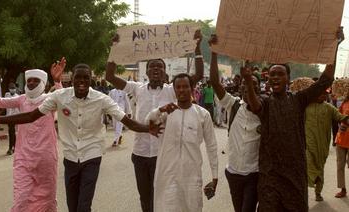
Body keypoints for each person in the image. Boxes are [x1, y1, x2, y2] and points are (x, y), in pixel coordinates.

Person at [0, 63, 162, 212]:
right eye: (78, 78)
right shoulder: (59, 96)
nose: (81, 82)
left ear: (90, 79)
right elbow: (30, 116)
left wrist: (148, 128)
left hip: (92, 156)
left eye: (85, 78)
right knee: (73, 207)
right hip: (71, 156)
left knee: (83, 207)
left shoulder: (101, 99)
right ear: (71, 79)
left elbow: (127, 121)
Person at [241, 27, 344, 212]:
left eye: (280, 74)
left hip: (294, 174)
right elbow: (254, 105)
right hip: (269, 174)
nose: (275, 77)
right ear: (268, 79)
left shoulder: (299, 99)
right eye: (272, 74)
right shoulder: (265, 102)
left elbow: (325, 80)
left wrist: (335, 47)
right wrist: (248, 80)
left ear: (288, 79)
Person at [106, 30, 203, 212]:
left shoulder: (171, 90)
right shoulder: (137, 89)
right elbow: (110, 77)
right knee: (145, 197)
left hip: (164, 154)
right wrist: (114, 48)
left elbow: (197, 76)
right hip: (140, 154)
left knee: (164, 196)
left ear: (165, 71)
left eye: (160, 66)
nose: (156, 69)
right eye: (152, 66)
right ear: (147, 71)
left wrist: (197, 48)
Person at [0, 58, 65, 212]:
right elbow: (0, 102)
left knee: (47, 197)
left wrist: (57, 81)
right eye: (29, 80)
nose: (31, 83)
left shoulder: (49, 100)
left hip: (46, 156)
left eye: (35, 81)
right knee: (21, 197)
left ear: (43, 83)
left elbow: (63, 98)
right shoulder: (22, 99)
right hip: (23, 156)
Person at [145, 73, 218, 212]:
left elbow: (212, 146)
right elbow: (148, 120)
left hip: (191, 175)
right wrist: (160, 109)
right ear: (174, 90)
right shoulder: (166, 112)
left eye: (185, 86)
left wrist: (215, 176)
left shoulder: (203, 114)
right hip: (167, 174)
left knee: (191, 207)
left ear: (192, 88)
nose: (182, 90)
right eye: (178, 87)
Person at [209, 35, 261, 212]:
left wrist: (247, 77)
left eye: (253, 85)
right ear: (240, 89)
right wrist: (214, 52)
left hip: (254, 174)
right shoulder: (234, 105)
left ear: (259, 89)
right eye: (246, 85)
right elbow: (215, 83)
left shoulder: (265, 111)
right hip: (233, 173)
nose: (248, 88)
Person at [305, 89, 349, 201]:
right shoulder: (306, 107)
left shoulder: (329, 108)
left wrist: (346, 119)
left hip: (323, 145)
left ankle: (318, 192)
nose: (324, 95)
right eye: (321, 93)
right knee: (309, 165)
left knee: (320, 167)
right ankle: (305, 190)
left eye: (325, 94)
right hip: (309, 144)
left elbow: (340, 117)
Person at [335, 91, 349, 198]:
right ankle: (343, 189)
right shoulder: (344, 103)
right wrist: (340, 125)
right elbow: (338, 116)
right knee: (340, 166)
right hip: (341, 138)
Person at [4, 82, 20, 155]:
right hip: (8, 116)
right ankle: (13, 147)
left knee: (13, 132)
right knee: (11, 132)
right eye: (11, 88)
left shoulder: (18, 96)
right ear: (9, 89)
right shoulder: (6, 95)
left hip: (15, 116)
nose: (12, 89)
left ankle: (12, 147)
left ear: (15, 89)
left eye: (13, 88)